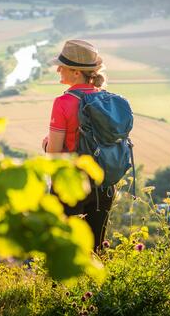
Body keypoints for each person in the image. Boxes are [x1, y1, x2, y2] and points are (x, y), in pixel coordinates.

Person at [42, 39, 115, 251]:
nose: (57, 69)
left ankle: (61, 286)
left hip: (71, 184)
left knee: (64, 248)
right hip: (103, 183)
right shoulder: (106, 99)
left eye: (62, 66)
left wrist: (46, 144)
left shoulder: (63, 102)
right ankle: (95, 285)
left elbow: (54, 153)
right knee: (96, 248)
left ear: (76, 72)